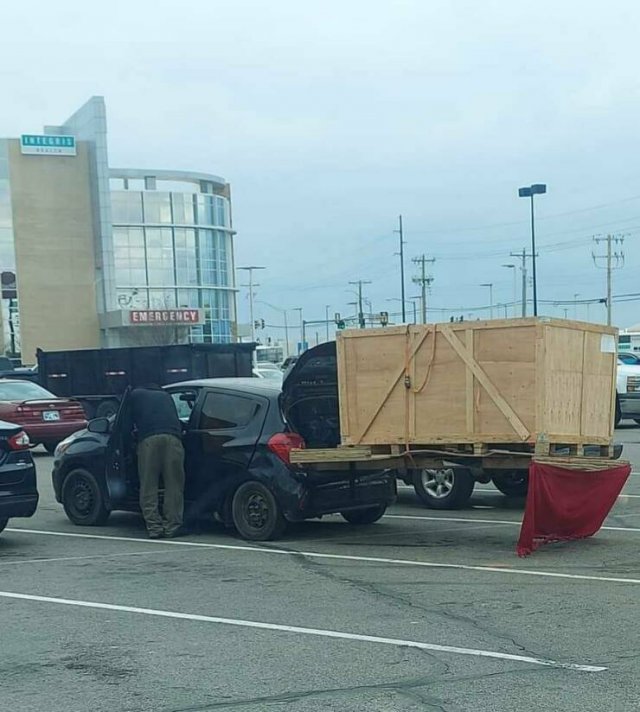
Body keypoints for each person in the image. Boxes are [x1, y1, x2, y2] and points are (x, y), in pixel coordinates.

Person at [128, 384, 185, 539]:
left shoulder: (135, 394)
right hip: (174, 439)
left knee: (149, 485)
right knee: (174, 485)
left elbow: (125, 422)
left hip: (149, 441)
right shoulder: (166, 396)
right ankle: (172, 526)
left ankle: (154, 527)